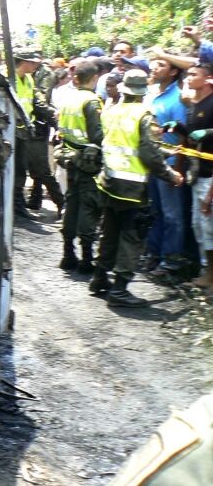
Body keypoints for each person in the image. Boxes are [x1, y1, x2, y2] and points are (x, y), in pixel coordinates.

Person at [91, 69, 184, 307]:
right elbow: (147, 153)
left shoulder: (112, 111)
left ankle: (100, 278)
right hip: (132, 187)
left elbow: (125, 142)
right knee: (132, 236)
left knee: (110, 231)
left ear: (124, 90)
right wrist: (170, 174)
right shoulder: (145, 115)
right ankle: (120, 289)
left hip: (109, 182)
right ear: (143, 92)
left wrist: (164, 150)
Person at [165, 63, 213, 289]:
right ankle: (206, 272)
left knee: (209, 226)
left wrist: (209, 132)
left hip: (210, 175)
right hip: (198, 172)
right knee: (199, 225)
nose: (189, 78)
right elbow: (193, 140)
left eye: (194, 74)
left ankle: (209, 277)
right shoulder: (193, 104)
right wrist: (179, 128)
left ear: (208, 79)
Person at [56, 61, 104, 273]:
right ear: (94, 79)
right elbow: (97, 135)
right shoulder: (92, 101)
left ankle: (68, 253)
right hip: (88, 162)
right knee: (88, 206)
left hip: (70, 158)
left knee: (72, 202)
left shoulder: (68, 99)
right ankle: (86, 259)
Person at [145, 58, 190, 279]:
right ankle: (154, 253)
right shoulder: (152, 93)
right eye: (154, 64)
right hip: (152, 163)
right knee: (156, 212)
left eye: (161, 65)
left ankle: (170, 260)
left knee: (172, 215)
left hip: (170, 164)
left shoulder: (178, 98)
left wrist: (178, 169)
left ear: (173, 72)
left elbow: (183, 136)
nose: (154, 67)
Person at [11, 48, 63, 219]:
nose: (35, 64)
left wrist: (52, 114)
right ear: (23, 61)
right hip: (11, 130)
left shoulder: (28, 79)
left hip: (26, 130)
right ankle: (18, 205)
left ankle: (22, 204)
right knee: (21, 169)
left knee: (30, 169)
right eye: (32, 62)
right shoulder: (7, 78)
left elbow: (37, 101)